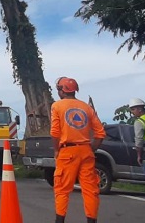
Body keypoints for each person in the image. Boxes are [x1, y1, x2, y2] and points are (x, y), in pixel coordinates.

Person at [51, 77, 105, 223]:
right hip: (86, 151)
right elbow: (100, 133)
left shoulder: (57, 106)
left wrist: (56, 150)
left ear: (62, 90)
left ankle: (59, 221)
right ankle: (91, 220)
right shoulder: (87, 108)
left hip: (67, 152)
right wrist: (90, 149)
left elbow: (55, 133)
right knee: (90, 190)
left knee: (62, 189)